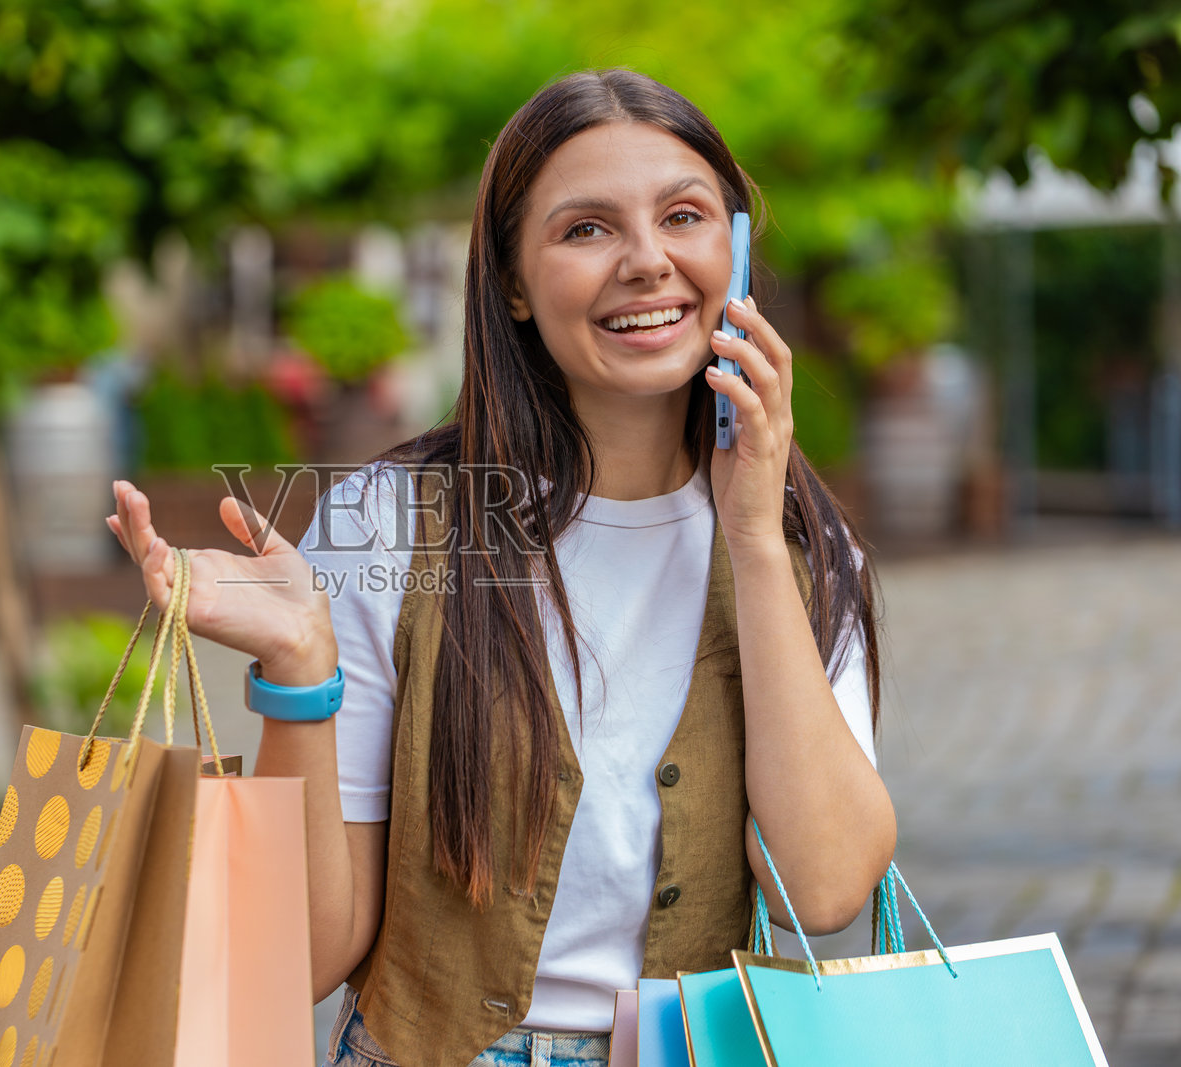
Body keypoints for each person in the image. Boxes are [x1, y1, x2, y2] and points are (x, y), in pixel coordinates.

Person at [106, 68, 895, 1067]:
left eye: (684, 216)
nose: (647, 260)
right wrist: (299, 669)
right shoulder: (391, 523)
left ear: (733, 256)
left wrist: (749, 535)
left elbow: (824, 891)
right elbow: (304, 952)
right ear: (514, 284)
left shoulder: (801, 550)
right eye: (586, 229)